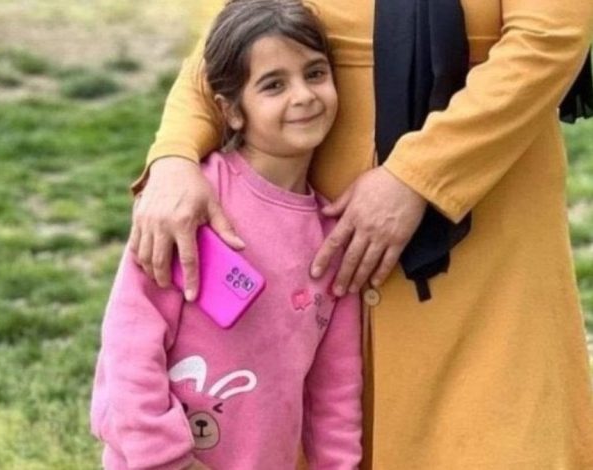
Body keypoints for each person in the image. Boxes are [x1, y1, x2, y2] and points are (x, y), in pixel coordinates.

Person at [129, 0, 593, 468]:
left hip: (485, 240)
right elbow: (231, 38)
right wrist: (173, 157)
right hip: (306, 252)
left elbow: (547, 40)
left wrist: (415, 177)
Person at [90, 1, 362, 468]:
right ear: (230, 110)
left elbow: (335, 389)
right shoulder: (190, 204)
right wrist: (165, 458)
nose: (304, 96)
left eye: (315, 74)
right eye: (274, 84)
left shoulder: (333, 241)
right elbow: (130, 341)